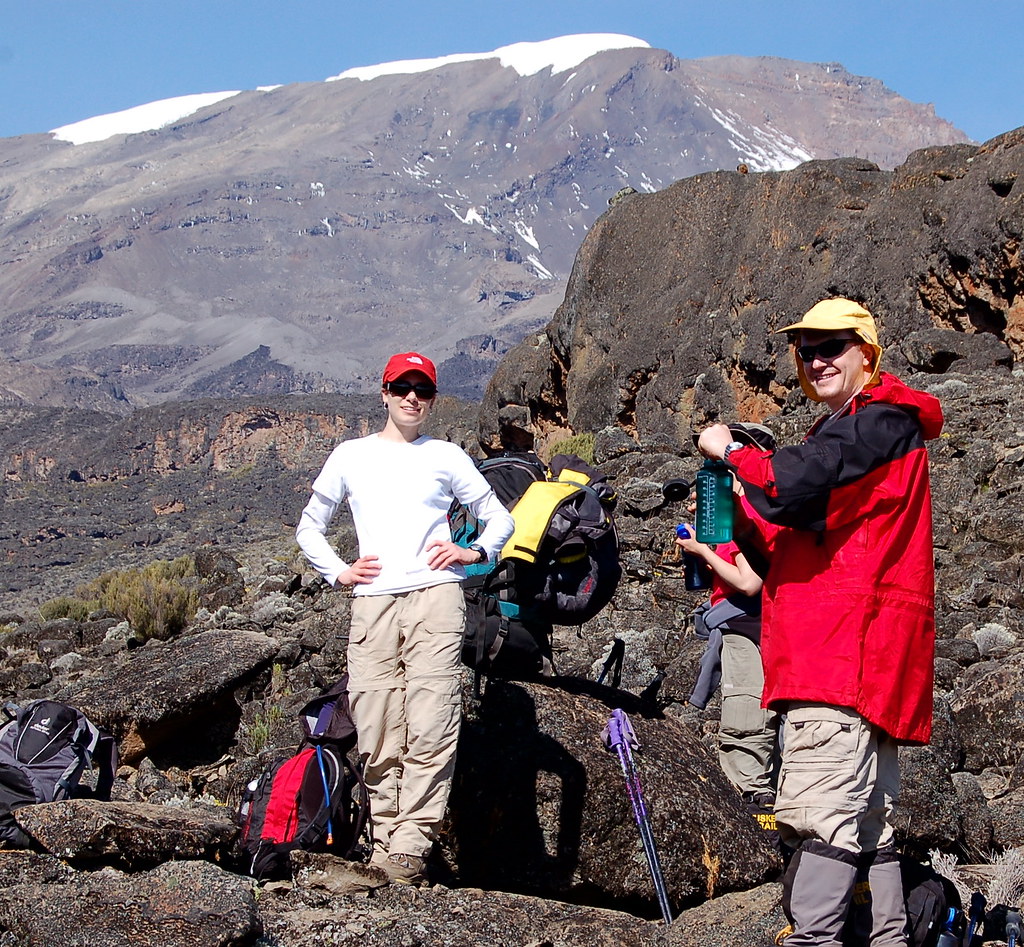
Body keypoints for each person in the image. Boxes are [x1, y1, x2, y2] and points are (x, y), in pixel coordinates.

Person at [697, 299, 943, 946]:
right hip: (864, 665)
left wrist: (729, 451)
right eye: (806, 349)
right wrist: (736, 524)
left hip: (839, 661)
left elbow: (790, 481)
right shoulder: (859, 431)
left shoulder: (874, 424)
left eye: (832, 345)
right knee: (869, 824)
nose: (816, 359)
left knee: (818, 818)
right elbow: (794, 536)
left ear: (868, 351)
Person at [295, 351, 515, 886]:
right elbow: (309, 527)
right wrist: (339, 572)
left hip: (435, 599)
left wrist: (472, 554)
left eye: (423, 389)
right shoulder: (350, 455)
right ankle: (385, 840)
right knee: (374, 720)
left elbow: (499, 520)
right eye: (402, 387)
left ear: (432, 399)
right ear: (385, 392)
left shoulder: (445, 456)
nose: (412, 397)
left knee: (432, 716)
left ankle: (411, 844)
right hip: (373, 603)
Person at [678, 424, 779, 808]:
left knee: (747, 708)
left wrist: (703, 551)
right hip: (754, 621)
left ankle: (751, 796)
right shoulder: (744, 505)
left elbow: (748, 582)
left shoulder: (747, 510)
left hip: (747, 621)